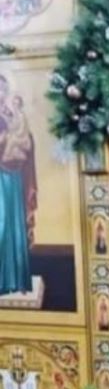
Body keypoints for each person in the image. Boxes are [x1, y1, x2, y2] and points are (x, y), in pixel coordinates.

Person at [0, 74, 35, 295]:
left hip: (12, 176)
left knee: (13, 224)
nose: (1, 94)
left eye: (3, 89)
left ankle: (13, 279)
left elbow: (26, 141)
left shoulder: (11, 114)